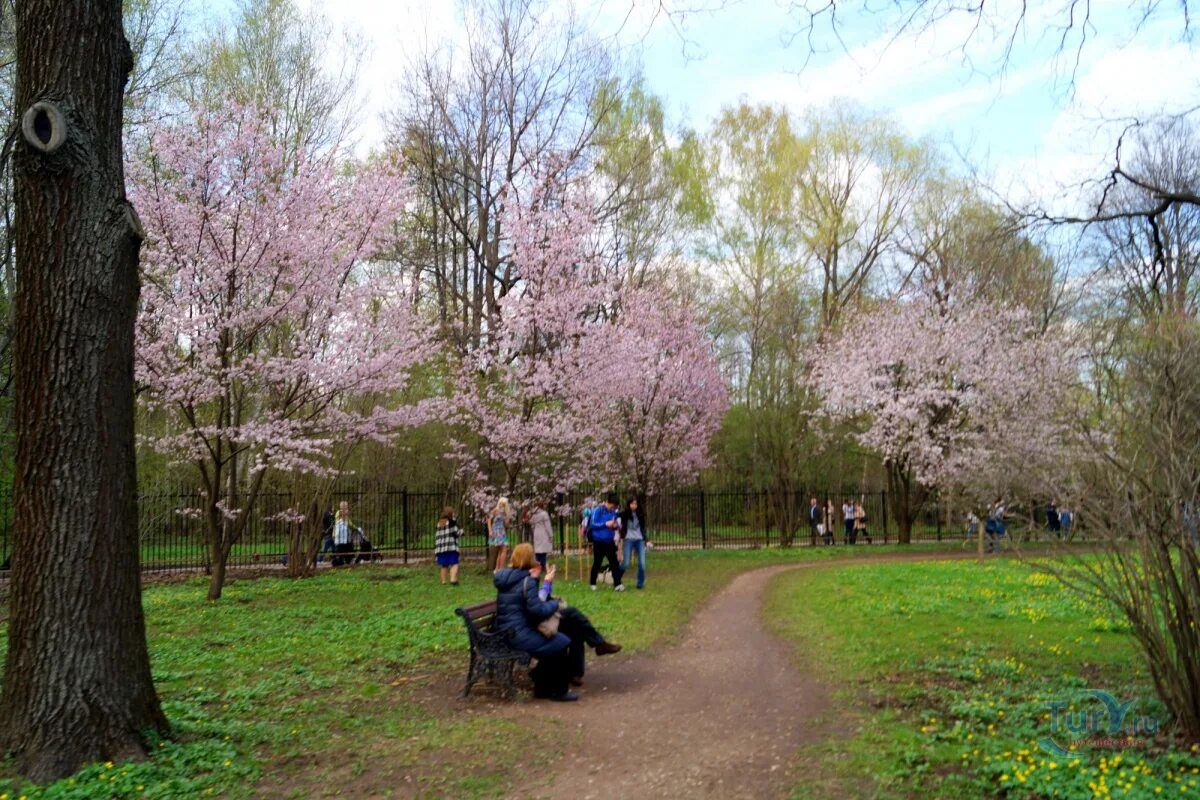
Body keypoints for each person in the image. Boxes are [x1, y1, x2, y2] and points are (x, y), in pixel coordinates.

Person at [492, 544, 576, 701]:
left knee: (555, 640)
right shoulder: (527, 580)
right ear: (529, 559)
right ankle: (558, 691)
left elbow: (527, 604)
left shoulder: (505, 577)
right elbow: (537, 612)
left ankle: (542, 688)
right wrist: (555, 603)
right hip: (518, 634)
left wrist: (537, 580)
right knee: (561, 641)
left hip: (505, 631)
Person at [529, 554, 621, 685]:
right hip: (534, 625)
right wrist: (547, 583)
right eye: (534, 563)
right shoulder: (524, 580)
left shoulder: (525, 579)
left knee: (576, 627)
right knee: (572, 614)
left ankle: (576, 672)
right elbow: (538, 602)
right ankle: (599, 644)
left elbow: (539, 599)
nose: (538, 564)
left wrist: (547, 583)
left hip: (540, 618)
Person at [588, 493, 625, 591]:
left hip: (609, 541)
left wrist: (616, 526)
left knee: (614, 563)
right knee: (597, 562)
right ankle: (592, 583)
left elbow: (615, 524)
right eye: (612, 506)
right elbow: (593, 524)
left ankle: (618, 584)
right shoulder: (598, 510)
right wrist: (605, 524)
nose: (613, 508)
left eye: (615, 507)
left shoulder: (613, 512)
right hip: (599, 541)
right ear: (608, 502)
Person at [620, 495, 649, 589]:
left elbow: (643, 528)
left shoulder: (641, 514)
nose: (634, 506)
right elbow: (614, 516)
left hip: (639, 540)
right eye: (632, 504)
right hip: (628, 539)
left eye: (635, 504)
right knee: (626, 563)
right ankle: (616, 579)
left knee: (642, 563)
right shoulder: (625, 514)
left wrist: (646, 539)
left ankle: (640, 583)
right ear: (629, 504)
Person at [434, 506, 461, 585]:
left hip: (441, 548)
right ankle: (453, 579)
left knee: (444, 565)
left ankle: (443, 581)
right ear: (450, 513)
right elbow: (456, 533)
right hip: (451, 547)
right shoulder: (451, 522)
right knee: (454, 563)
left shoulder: (439, 523)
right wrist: (462, 531)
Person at [331, 501, 361, 567]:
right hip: (338, 537)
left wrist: (356, 528)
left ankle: (349, 559)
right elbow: (339, 520)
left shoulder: (346, 516)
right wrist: (344, 514)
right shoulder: (338, 512)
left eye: (347, 506)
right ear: (341, 506)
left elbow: (349, 524)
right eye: (345, 506)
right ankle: (339, 560)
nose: (346, 508)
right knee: (341, 549)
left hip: (345, 537)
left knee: (348, 547)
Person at [487, 497, 511, 573]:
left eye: (504, 504)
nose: (502, 505)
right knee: (504, 550)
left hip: (502, 531)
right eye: (501, 503)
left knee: (501, 550)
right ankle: (501, 568)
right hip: (496, 531)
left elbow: (506, 523)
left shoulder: (504, 512)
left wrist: (508, 516)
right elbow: (489, 521)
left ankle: (498, 569)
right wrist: (490, 530)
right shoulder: (495, 511)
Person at [529, 499, 554, 571]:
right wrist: (550, 535)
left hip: (536, 532)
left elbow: (531, 523)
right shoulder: (544, 514)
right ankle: (542, 565)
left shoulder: (534, 514)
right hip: (543, 533)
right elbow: (547, 525)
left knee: (537, 550)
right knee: (543, 551)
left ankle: (537, 564)